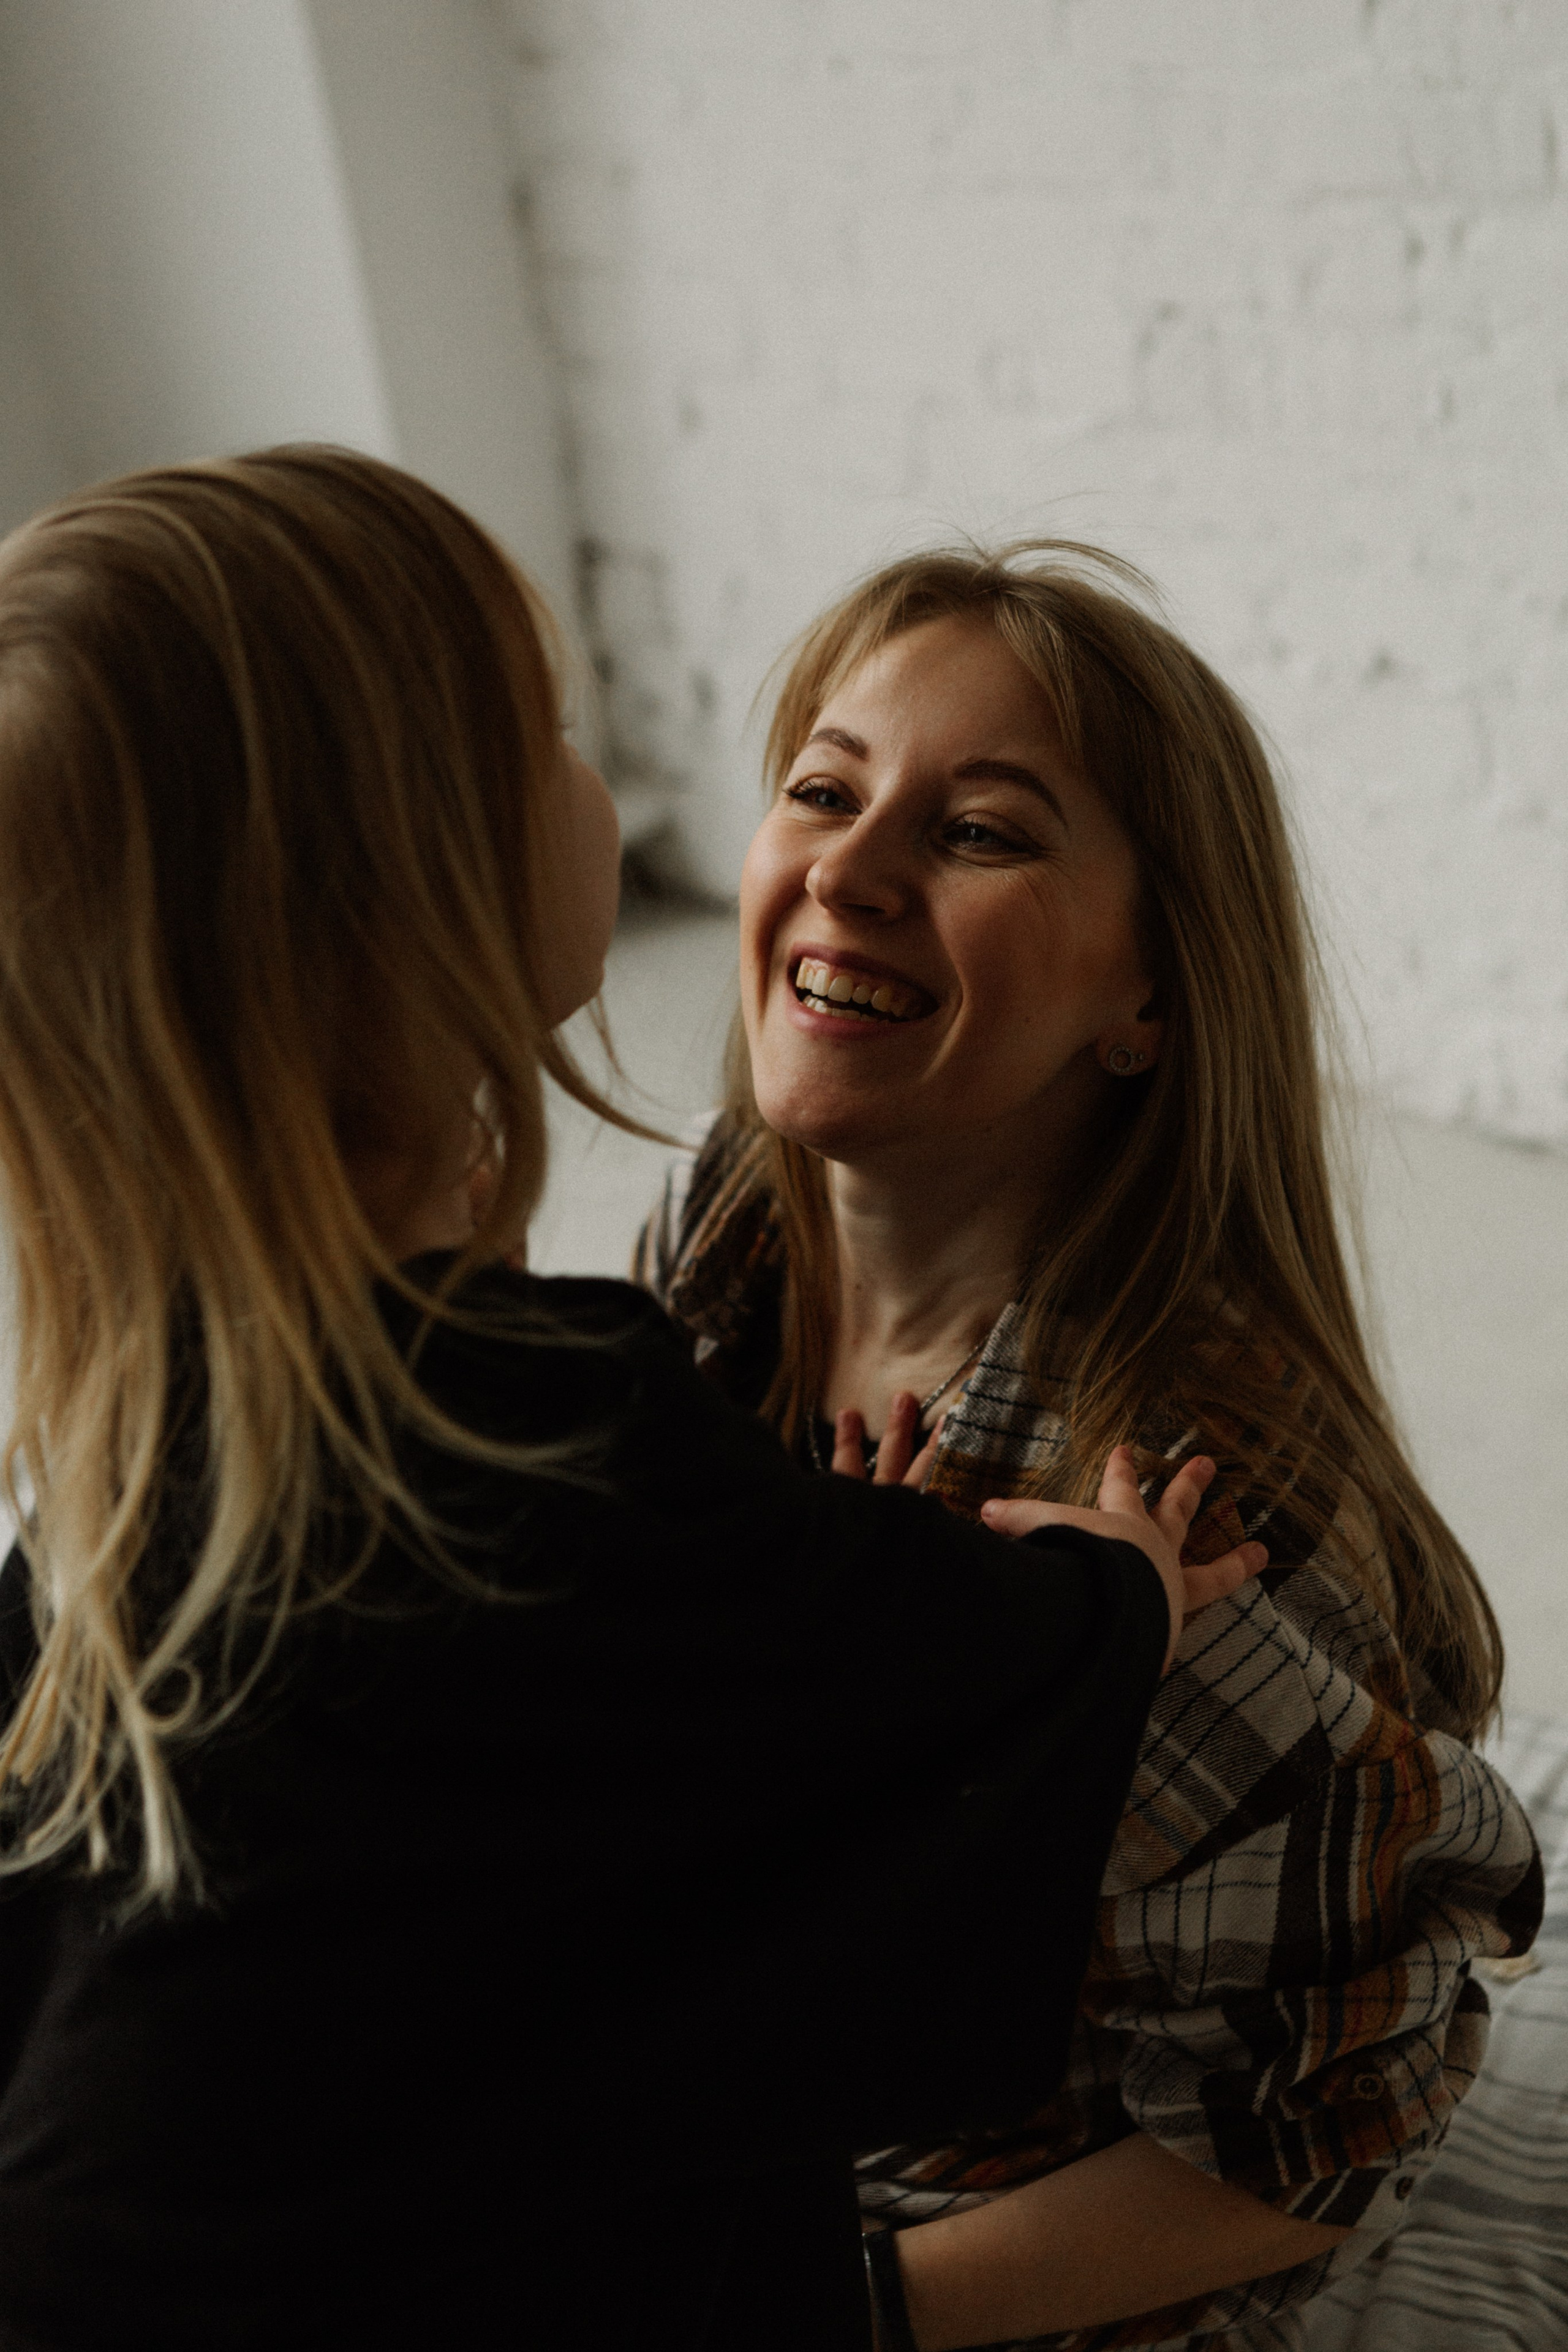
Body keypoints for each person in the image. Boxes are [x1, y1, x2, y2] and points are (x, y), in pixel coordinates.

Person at [0, 456, 1264, 2352]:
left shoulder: (139, 1410)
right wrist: (1125, 1591)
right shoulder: (538, 1430)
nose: (843, 866)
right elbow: (931, 1662)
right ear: (414, 897)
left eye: (975, 830)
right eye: (550, 739)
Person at [637, 543, 1544, 2352]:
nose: (849, 870)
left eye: (977, 831)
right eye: (823, 790)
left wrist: (841, 2313)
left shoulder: (1179, 1511)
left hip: (966, 2249)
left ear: (1149, 1003)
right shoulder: (739, 1229)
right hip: (753, 2090)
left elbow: (1338, 2119)